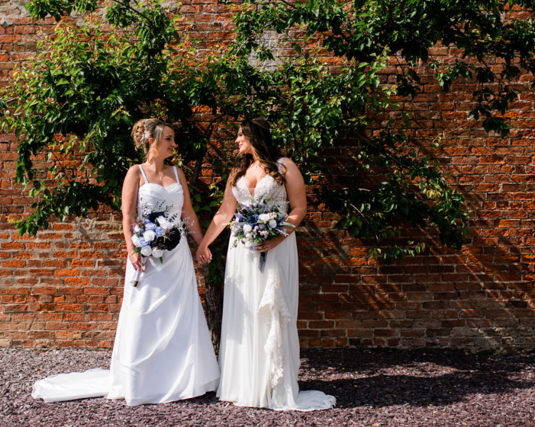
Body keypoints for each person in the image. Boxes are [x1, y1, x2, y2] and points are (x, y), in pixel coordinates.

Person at [32, 118, 220, 405]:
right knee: (145, 310)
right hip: (148, 253)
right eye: (168, 138)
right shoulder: (136, 173)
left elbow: (188, 214)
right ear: (151, 141)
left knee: (180, 313)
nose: (173, 144)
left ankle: (180, 377)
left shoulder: (177, 172)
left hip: (177, 255)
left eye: (172, 138)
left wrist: (201, 244)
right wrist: (132, 249)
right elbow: (128, 216)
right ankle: (142, 380)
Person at [196, 119, 335, 411]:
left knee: (272, 309)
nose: (236, 141)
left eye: (239, 136)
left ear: (253, 136)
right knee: (245, 312)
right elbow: (225, 213)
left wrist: (277, 237)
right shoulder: (238, 172)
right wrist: (205, 243)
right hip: (243, 251)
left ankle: (273, 384)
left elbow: (299, 209)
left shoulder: (284, 167)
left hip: (277, 247)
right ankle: (245, 383)